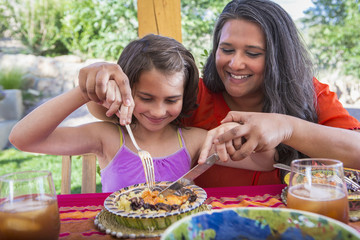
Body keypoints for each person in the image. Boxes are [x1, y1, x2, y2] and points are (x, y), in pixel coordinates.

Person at [75, 0, 360, 187]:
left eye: (253, 53)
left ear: (279, 58)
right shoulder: (194, 94)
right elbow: (112, 109)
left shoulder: (308, 93)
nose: (235, 63)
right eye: (226, 50)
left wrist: (286, 127)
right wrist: (100, 84)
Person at [9, 34, 274, 193]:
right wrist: (85, 90)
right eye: (146, 98)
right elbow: (23, 139)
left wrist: (243, 134)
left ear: (186, 97)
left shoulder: (193, 141)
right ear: (126, 90)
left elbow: (264, 162)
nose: (159, 111)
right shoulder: (107, 137)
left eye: (172, 100)